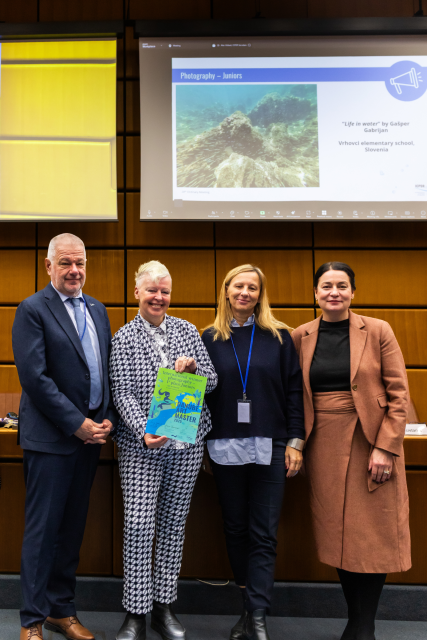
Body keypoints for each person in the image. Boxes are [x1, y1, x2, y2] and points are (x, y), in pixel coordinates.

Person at [291, 261, 411, 640]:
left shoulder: (377, 330)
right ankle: (355, 618)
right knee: (337, 532)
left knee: (370, 533)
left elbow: (399, 394)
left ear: (353, 292)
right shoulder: (301, 336)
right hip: (322, 442)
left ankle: (363, 625)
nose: (334, 292)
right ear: (315, 293)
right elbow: (293, 394)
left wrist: (386, 448)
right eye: (326, 286)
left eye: (342, 285)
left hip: (370, 441)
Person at [12, 233, 117, 640]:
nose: (75, 271)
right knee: (43, 532)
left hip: (89, 440)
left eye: (81, 263)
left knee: (72, 529)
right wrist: (77, 423)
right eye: (66, 263)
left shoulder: (98, 309)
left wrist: (105, 418)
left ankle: (61, 610)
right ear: (49, 266)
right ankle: (31, 620)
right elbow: (35, 379)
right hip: (51, 440)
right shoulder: (32, 309)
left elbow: (102, 372)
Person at [109, 260, 218, 640]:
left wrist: (191, 374)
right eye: (152, 289)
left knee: (173, 525)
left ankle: (163, 607)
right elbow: (121, 392)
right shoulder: (123, 337)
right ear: (137, 292)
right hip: (141, 448)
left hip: (185, 443)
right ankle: (135, 613)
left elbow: (213, 380)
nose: (159, 296)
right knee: (139, 525)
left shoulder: (188, 331)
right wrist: (144, 431)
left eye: (165, 291)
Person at [201, 264, 305, 640]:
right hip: (223, 444)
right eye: (238, 286)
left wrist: (296, 441)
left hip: (271, 443)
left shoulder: (279, 337)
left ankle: (257, 617)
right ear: (226, 290)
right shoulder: (208, 338)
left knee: (263, 533)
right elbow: (198, 396)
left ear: (260, 295)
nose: (245, 293)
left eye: (253, 287)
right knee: (235, 528)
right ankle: (247, 604)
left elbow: (295, 391)